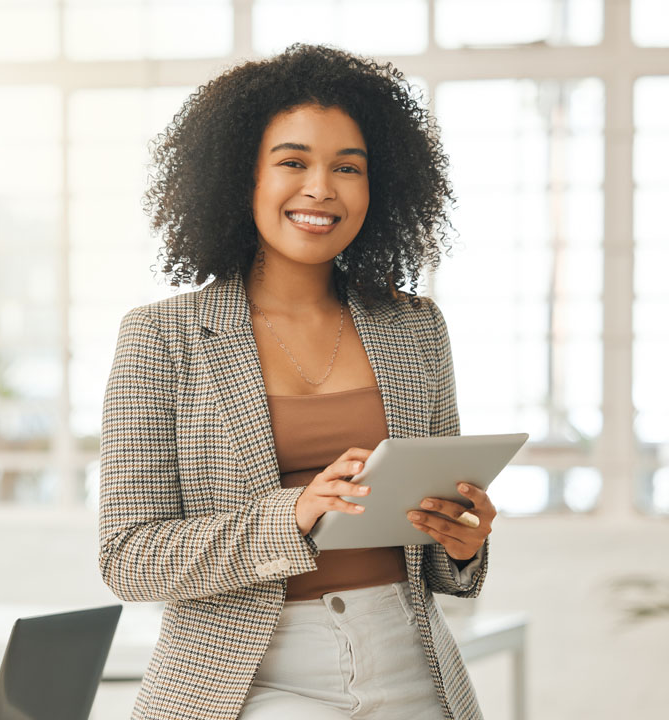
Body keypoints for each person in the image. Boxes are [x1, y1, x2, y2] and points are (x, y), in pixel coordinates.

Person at [98, 44, 497, 720]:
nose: (321, 188)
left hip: (411, 667)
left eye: (348, 168)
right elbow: (129, 556)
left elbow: (432, 544)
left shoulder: (417, 326)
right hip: (248, 681)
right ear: (238, 177)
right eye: (292, 162)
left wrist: (462, 543)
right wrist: (295, 513)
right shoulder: (160, 337)